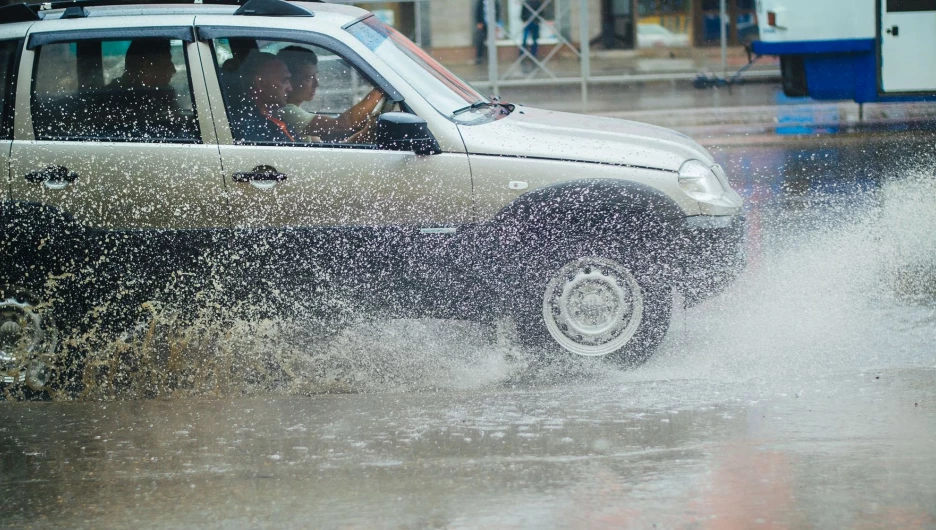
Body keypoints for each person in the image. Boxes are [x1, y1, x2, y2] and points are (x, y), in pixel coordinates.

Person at [275, 45, 384, 144]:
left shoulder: (296, 114)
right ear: (290, 80)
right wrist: (381, 88)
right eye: (308, 78)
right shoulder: (287, 112)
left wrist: (368, 131)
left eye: (315, 76)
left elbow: (327, 148)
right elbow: (344, 125)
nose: (316, 84)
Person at [106, 39, 191, 138]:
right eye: (167, 63)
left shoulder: (164, 93)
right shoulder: (110, 98)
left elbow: (178, 128)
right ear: (146, 66)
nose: (173, 70)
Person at [228, 52, 298, 145]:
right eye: (284, 80)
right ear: (261, 84)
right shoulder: (249, 127)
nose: (290, 88)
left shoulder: (269, 119)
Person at [474, 0, 502, 65]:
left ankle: (492, 58)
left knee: (492, 41)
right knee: (480, 40)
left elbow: (498, 11)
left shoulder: (495, 1)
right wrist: (479, 22)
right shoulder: (481, 1)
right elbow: (478, 11)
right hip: (483, 24)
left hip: (492, 24)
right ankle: (479, 57)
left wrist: (496, 23)